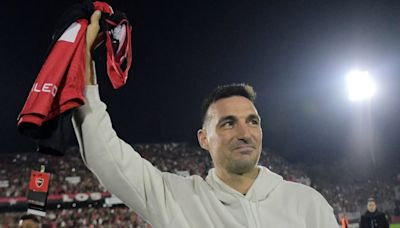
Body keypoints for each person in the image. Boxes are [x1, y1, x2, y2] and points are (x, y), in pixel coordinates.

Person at [72, 10, 338, 227]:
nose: (244, 132)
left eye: (252, 121)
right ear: (203, 139)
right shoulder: (177, 199)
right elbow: (104, 154)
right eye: (228, 123)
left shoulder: (307, 204)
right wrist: (82, 59)